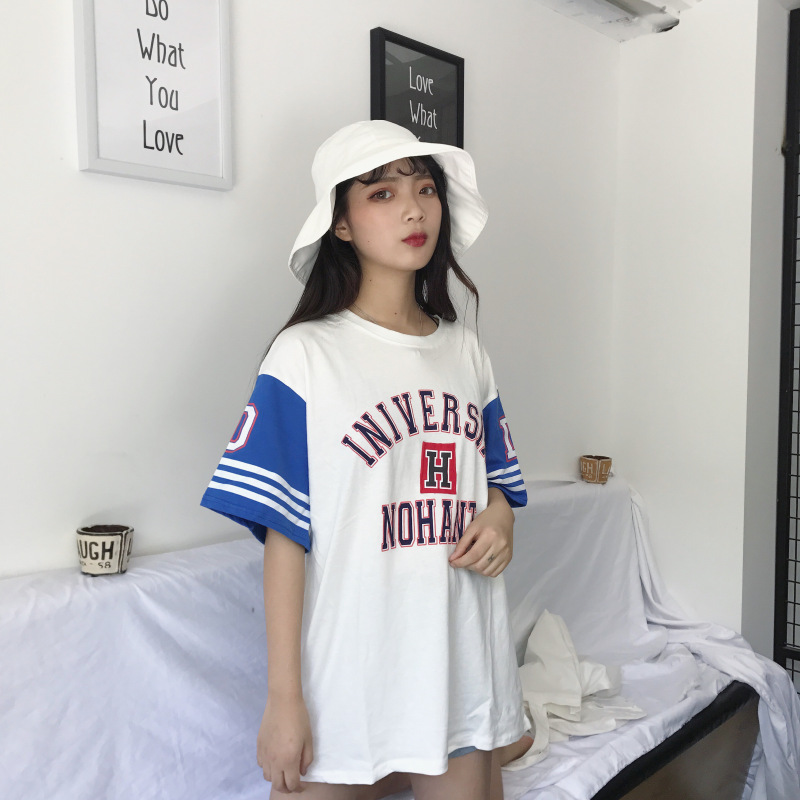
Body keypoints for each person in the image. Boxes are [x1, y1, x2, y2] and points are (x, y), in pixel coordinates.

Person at [200, 120, 533, 800]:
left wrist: (500, 516)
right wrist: (284, 698)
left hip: (458, 661)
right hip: (349, 670)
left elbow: (494, 482)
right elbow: (284, 532)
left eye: (424, 189)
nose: (414, 209)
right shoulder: (305, 356)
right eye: (382, 194)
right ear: (341, 224)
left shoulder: (466, 351)